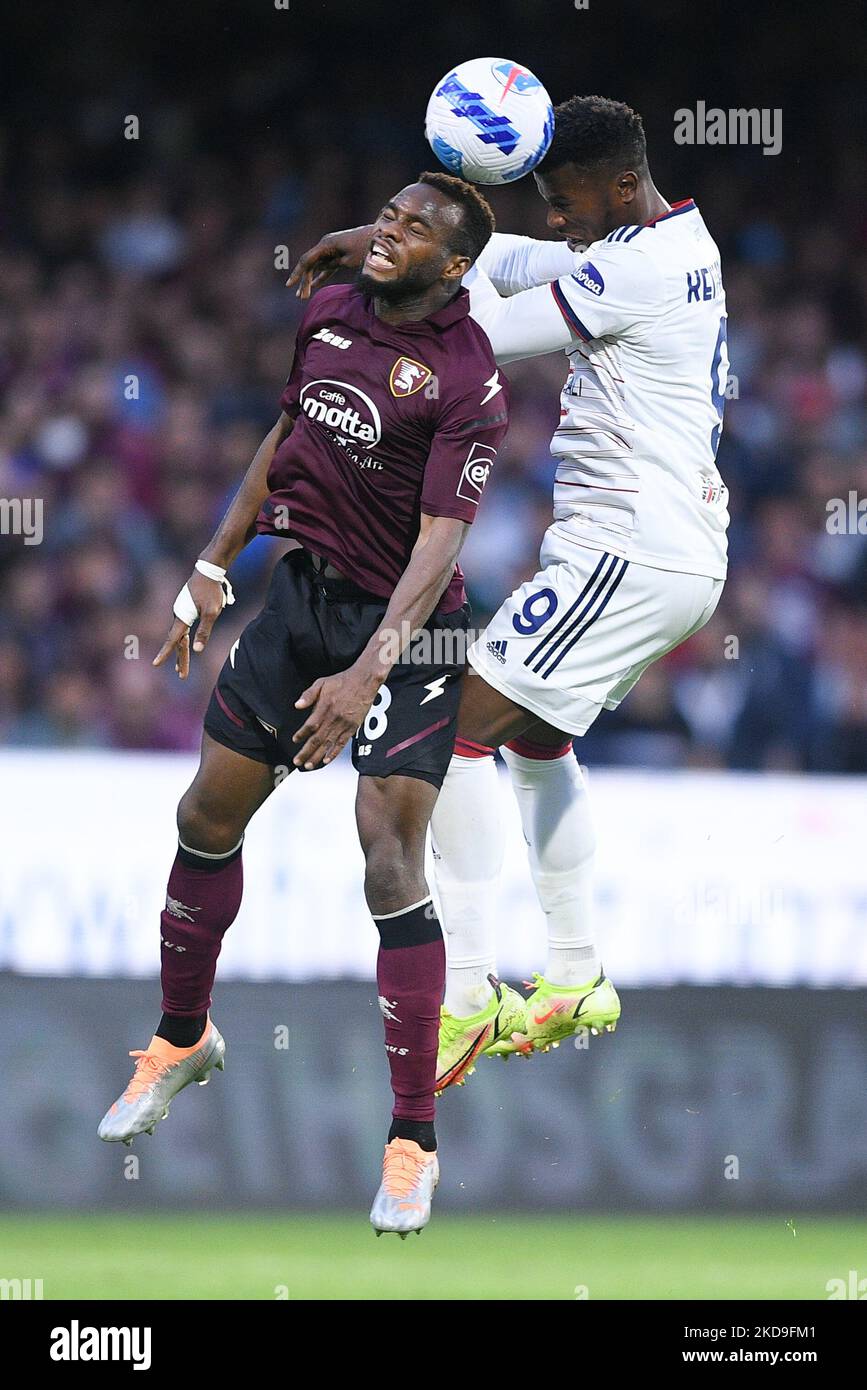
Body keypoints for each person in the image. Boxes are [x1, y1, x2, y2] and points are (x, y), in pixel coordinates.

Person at [97, 171, 513, 1237]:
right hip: (302, 599)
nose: (391, 231)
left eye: (417, 228)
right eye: (390, 213)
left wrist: (372, 667)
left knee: (386, 853)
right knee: (204, 815)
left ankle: (412, 1140)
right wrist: (211, 563)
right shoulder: (330, 308)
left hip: (413, 635)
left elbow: (442, 541)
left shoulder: (467, 378)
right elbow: (286, 436)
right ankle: (182, 1038)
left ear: (456, 265)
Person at [289, 95, 730, 1086]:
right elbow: (521, 256)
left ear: (619, 186)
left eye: (566, 199)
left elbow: (476, 322)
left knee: (452, 728)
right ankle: (574, 973)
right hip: (664, 552)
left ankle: (472, 990)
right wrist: (401, 231)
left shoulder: (634, 267)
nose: (557, 215)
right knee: (536, 740)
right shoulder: (670, 237)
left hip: (632, 551)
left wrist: (394, 267)